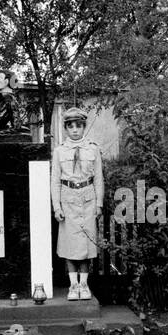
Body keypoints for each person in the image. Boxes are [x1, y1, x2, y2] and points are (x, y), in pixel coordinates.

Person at [51, 106, 103, 300]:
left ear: (84, 127)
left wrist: (99, 204)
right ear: (65, 128)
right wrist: (57, 206)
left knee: (86, 244)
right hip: (68, 199)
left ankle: (84, 285)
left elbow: (98, 178)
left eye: (79, 126)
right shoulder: (59, 151)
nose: (75, 130)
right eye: (71, 126)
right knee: (69, 244)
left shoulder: (93, 149)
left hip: (88, 199)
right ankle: (73, 286)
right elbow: (55, 180)